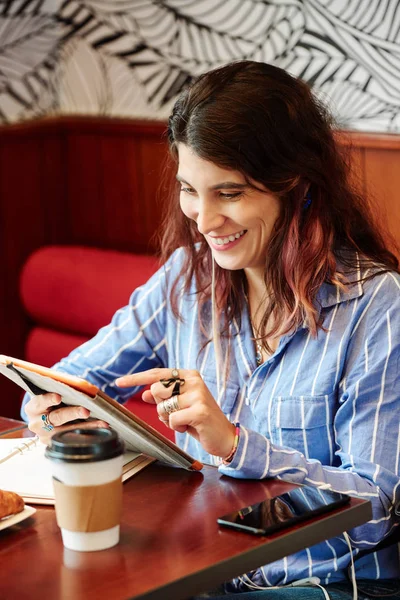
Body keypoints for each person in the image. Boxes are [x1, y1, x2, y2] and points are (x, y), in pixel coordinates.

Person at [22, 61, 400, 598]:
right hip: (200, 571)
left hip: (321, 584)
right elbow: (69, 377)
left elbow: (376, 510)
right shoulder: (187, 278)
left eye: (229, 193)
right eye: (189, 190)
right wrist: (48, 403)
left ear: (297, 185)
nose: (202, 220)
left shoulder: (376, 307)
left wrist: (233, 444)